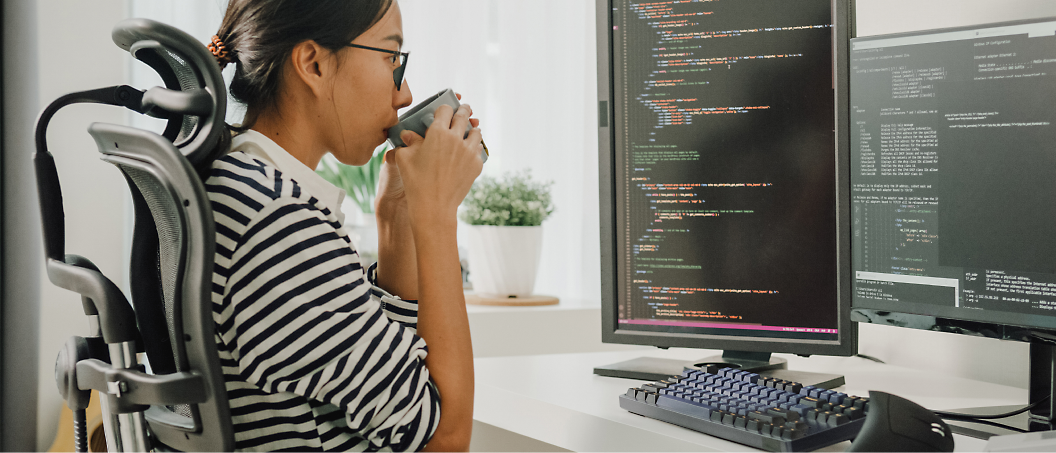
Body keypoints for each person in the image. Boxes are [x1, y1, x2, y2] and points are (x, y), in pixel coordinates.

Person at [205, 0, 482, 451]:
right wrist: (437, 217)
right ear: (313, 64)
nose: (405, 92)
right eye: (391, 58)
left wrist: (398, 221)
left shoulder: (238, 185)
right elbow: (442, 440)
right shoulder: (279, 225)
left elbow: (388, 385)